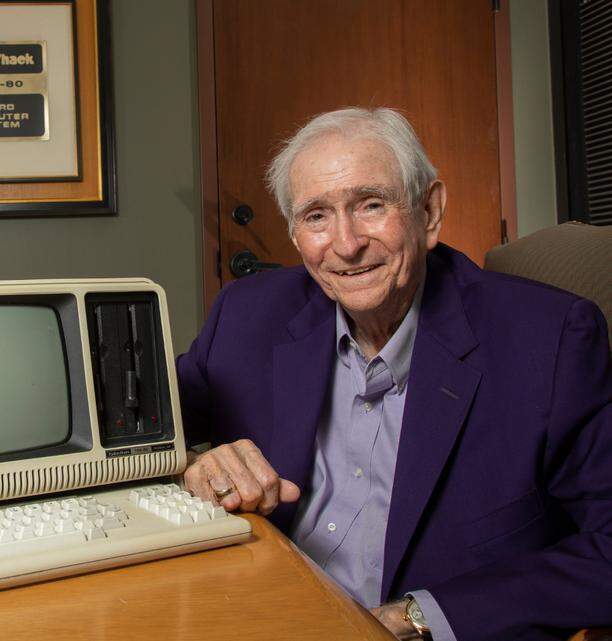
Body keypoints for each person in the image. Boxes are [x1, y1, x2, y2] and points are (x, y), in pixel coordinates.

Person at [177, 107, 611, 641]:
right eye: (316, 216)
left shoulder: (550, 339)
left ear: (429, 213)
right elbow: (136, 436)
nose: (346, 243)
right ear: (294, 234)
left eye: (371, 205)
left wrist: (418, 617)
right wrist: (196, 462)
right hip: (258, 613)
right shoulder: (246, 314)